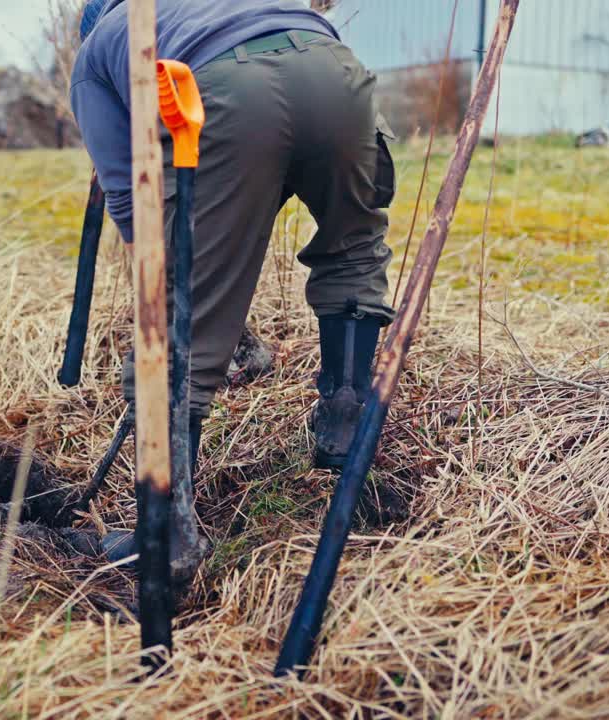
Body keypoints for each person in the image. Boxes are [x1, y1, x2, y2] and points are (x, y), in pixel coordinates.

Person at [72, 0, 397, 568]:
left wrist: (179, 276)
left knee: (185, 318)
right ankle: (346, 416)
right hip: (335, 72)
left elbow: (128, 197)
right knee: (354, 249)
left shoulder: (97, 51)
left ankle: (165, 530)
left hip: (224, 91)